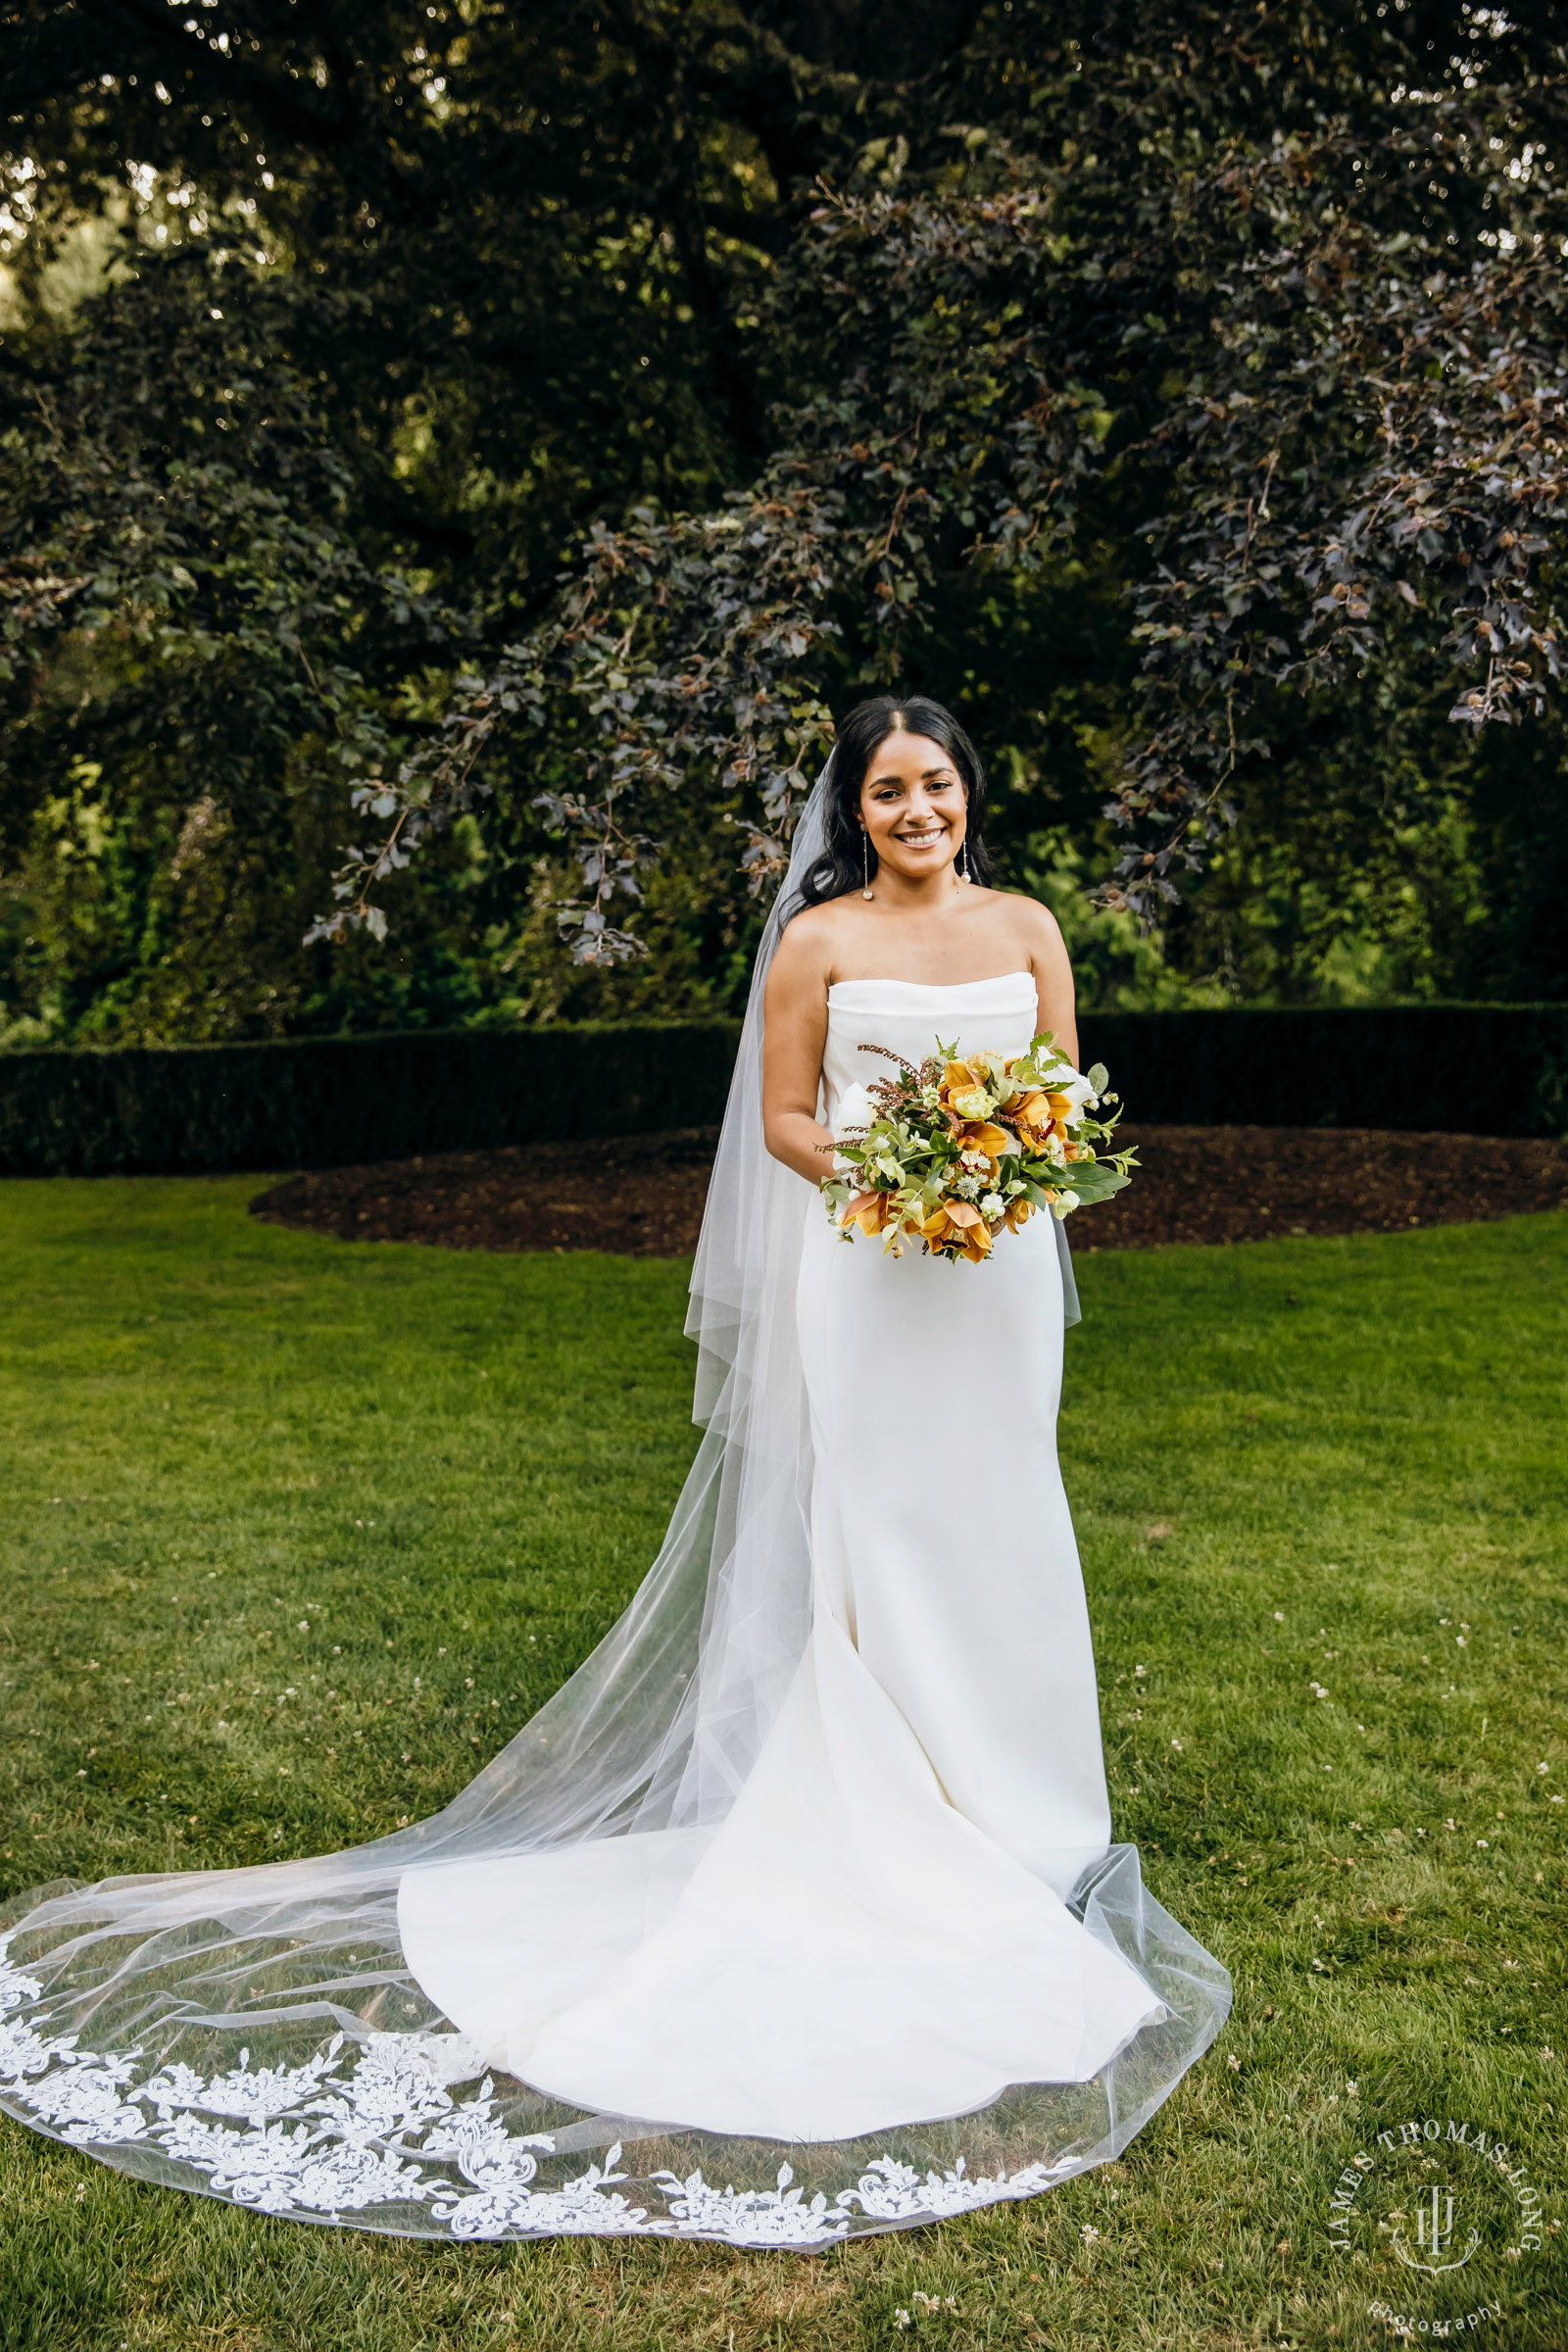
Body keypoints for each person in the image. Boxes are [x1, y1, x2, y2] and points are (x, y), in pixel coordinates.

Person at [0, 697, 1228, 2250]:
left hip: (991, 1284)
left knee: (1005, 1518)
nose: (918, 808)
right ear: (858, 811)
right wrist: (891, 1176)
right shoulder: (817, 945)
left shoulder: (1033, 925)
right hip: (872, 1273)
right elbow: (786, 1116)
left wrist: (1007, 1173)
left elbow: (1062, 1089)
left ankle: (1031, 1814)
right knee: (890, 1527)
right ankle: (903, 1808)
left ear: (972, 795)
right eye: (888, 791)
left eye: (937, 785)